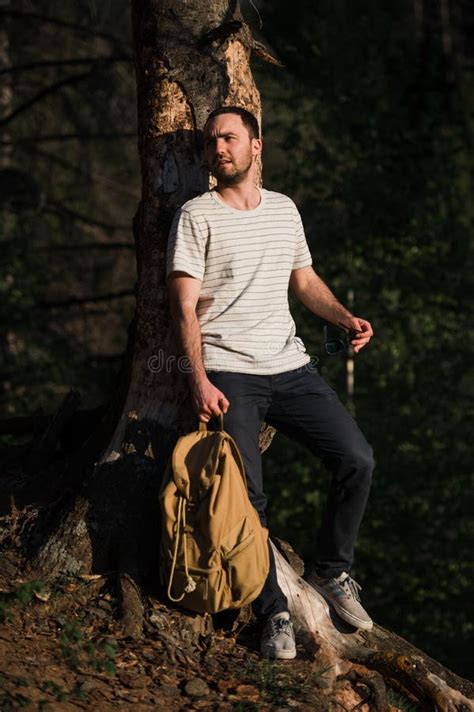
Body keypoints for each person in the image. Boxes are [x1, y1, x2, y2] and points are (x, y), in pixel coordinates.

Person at [166, 106, 375, 660]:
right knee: (248, 499)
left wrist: (341, 317)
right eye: (211, 142)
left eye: (229, 138)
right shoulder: (195, 216)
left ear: (257, 146)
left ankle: (334, 572)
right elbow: (184, 308)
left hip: (290, 366)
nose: (219, 149)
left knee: (357, 458)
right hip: (231, 374)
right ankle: (273, 613)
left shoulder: (284, 210)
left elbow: (302, 280)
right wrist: (198, 382)